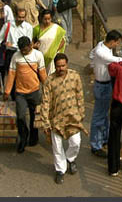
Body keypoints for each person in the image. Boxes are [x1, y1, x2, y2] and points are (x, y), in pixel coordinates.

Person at [35, 53, 86, 185]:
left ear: (67, 64)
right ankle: (60, 170)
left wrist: (81, 113)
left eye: (63, 65)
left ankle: (70, 158)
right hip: (56, 119)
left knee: (76, 142)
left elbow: (80, 95)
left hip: (73, 117)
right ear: (55, 67)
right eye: (58, 66)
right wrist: (45, 122)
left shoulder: (75, 76)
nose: (61, 68)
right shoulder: (49, 81)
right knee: (57, 147)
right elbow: (45, 102)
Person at [89, 30, 122, 157]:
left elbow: (91, 56)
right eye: (117, 43)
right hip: (102, 85)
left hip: (105, 84)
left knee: (104, 115)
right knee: (99, 116)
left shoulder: (101, 46)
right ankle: (96, 145)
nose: (117, 45)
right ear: (112, 41)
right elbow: (116, 60)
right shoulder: (102, 52)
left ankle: (103, 139)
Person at [5, 36, 47, 153]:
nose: (24, 52)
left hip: (34, 92)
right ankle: (23, 137)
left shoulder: (38, 56)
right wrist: (7, 91)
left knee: (35, 117)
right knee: (21, 116)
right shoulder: (16, 57)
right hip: (20, 93)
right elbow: (11, 74)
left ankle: (34, 138)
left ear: (30, 46)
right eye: (22, 50)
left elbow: (42, 74)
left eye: (26, 49)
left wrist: (48, 88)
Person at [0, 8, 33, 91]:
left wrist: (13, 45)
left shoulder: (28, 27)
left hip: (21, 55)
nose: (21, 19)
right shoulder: (8, 26)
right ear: (15, 16)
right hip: (9, 54)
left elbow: (27, 45)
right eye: (19, 17)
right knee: (10, 74)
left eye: (23, 17)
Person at [33, 9, 67, 76]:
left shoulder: (57, 28)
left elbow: (63, 41)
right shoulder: (37, 29)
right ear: (41, 18)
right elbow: (32, 40)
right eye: (45, 19)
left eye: (49, 19)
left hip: (53, 57)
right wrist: (34, 46)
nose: (47, 21)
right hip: (41, 57)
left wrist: (54, 51)